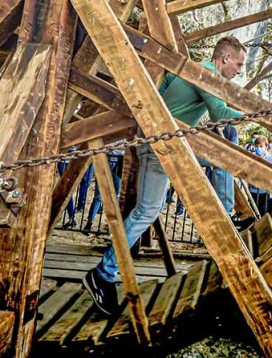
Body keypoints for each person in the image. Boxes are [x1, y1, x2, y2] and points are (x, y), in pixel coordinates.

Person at [84, 36, 249, 315]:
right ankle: (103, 273)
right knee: (148, 210)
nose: (240, 70)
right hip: (162, 146)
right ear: (225, 58)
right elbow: (220, 114)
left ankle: (105, 272)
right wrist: (256, 112)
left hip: (160, 143)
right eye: (240, 63)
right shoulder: (206, 72)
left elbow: (163, 90)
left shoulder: (187, 69)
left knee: (148, 210)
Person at [248, 136, 272, 215]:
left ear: (266, 147)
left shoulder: (270, 159)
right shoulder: (252, 158)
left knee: (264, 213)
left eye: (261, 146)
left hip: (265, 192)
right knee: (253, 212)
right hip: (253, 190)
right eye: (257, 146)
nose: (259, 148)